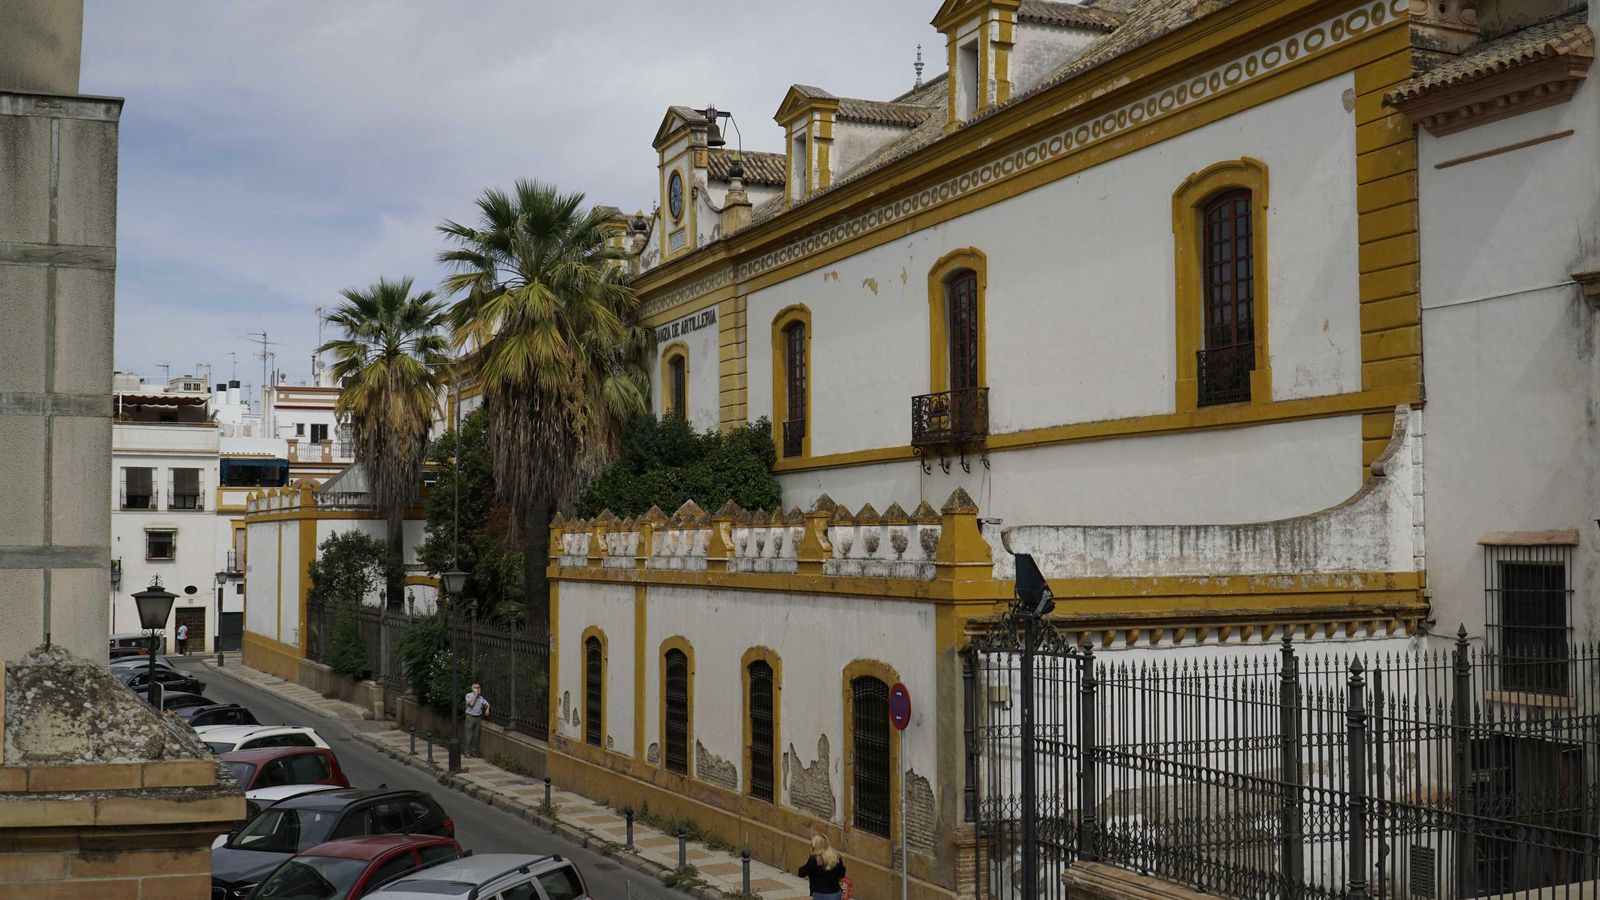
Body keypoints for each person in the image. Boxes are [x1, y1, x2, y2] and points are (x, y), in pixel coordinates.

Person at [798, 833, 846, 900]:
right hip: (835, 894)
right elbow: (842, 874)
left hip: (820, 894)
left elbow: (801, 873)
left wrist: (809, 858)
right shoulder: (836, 857)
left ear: (815, 846)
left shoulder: (815, 859)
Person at [463, 683, 490, 756]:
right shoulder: (468, 695)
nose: (478, 689)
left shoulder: (481, 698)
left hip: (478, 718)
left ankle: (473, 751)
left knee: (476, 736)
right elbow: (471, 704)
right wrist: (475, 695)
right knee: (469, 736)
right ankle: (467, 752)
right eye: (477, 688)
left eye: (479, 687)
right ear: (473, 689)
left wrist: (487, 709)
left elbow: (487, 704)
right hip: (470, 717)